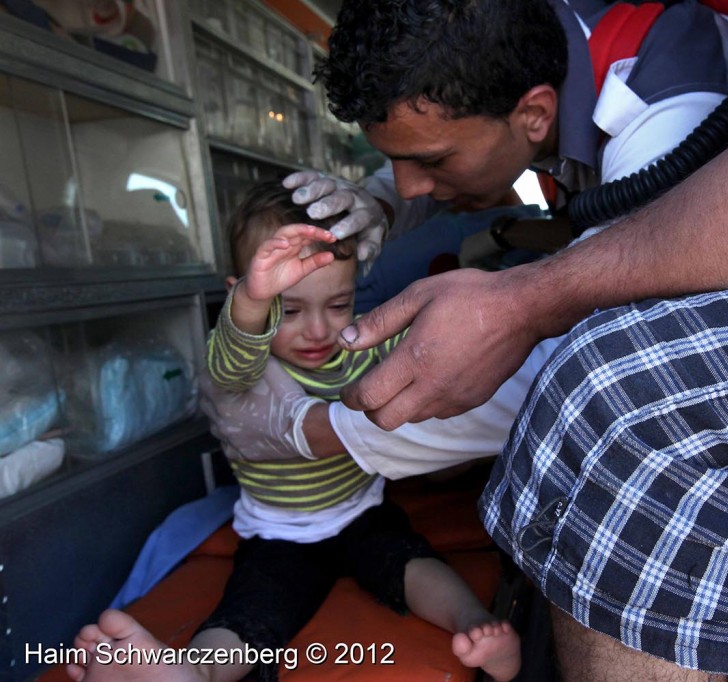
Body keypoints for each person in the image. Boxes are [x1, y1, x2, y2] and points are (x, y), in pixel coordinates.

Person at [214, 0, 728, 680]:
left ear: (535, 113)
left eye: (423, 165)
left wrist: (319, 432)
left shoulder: (666, 116)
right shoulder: (552, 54)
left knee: (612, 396)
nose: (416, 183)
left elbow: (564, 355)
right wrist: (380, 199)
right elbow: (453, 134)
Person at [66, 181, 521, 682]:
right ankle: (192, 674)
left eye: (339, 304)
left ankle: (477, 626)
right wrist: (252, 304)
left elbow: (421, 359)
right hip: (282, 532)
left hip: (362, 512)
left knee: (414, 565)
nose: (320, 331)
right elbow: (228, 361)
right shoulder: (245, 362)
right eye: (292, 310)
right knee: (255, 612)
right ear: (245, 296)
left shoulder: (359, 342)